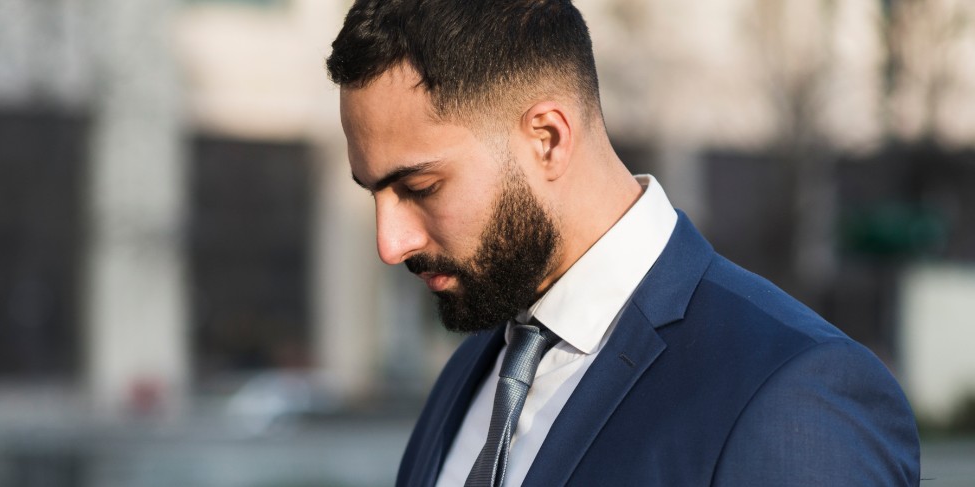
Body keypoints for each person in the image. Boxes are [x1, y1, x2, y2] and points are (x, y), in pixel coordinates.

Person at [325, 0, 921, 485]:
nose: (389, 243)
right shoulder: (469, 374)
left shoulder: (794, 396)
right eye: (372, 193)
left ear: (549, 139)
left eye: (421, 186)